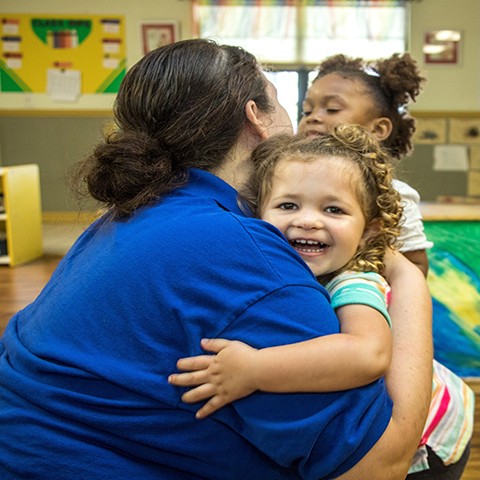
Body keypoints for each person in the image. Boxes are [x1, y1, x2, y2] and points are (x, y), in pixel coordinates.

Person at [0, 39, 432, 480]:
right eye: (285, 104)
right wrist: (405, 276)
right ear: (257, 118)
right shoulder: (238, 252)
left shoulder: (129, 214)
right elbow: (381, 464)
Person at [170, 54, 474, 479]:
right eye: (289, 206)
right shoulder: (280, 259)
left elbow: (367, 353)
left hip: (434, 442)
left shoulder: (355, 281)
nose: (308, 220)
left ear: (369, 232)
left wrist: (253, 370)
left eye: (333, 209)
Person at [298, 53, 433, 276]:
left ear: (378, 130)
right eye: (307, 111)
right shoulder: (291, 182)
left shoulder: (394, 195)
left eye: (332, 109)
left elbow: (416, 266)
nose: (313, 117)